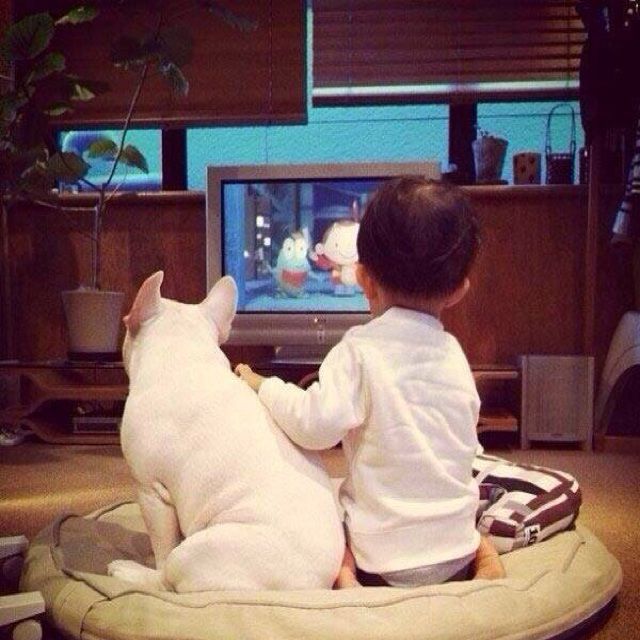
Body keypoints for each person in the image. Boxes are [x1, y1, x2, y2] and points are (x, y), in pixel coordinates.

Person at [235, 177, 505, 588]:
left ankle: (347, 577)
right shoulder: (454, 354)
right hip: (455, 555)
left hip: (383, 563)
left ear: (363, 278)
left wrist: (263, 385)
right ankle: (482, 557)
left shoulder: (359, 351)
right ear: (458, 291)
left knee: (328, 511)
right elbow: (464, 440)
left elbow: (312, 426)